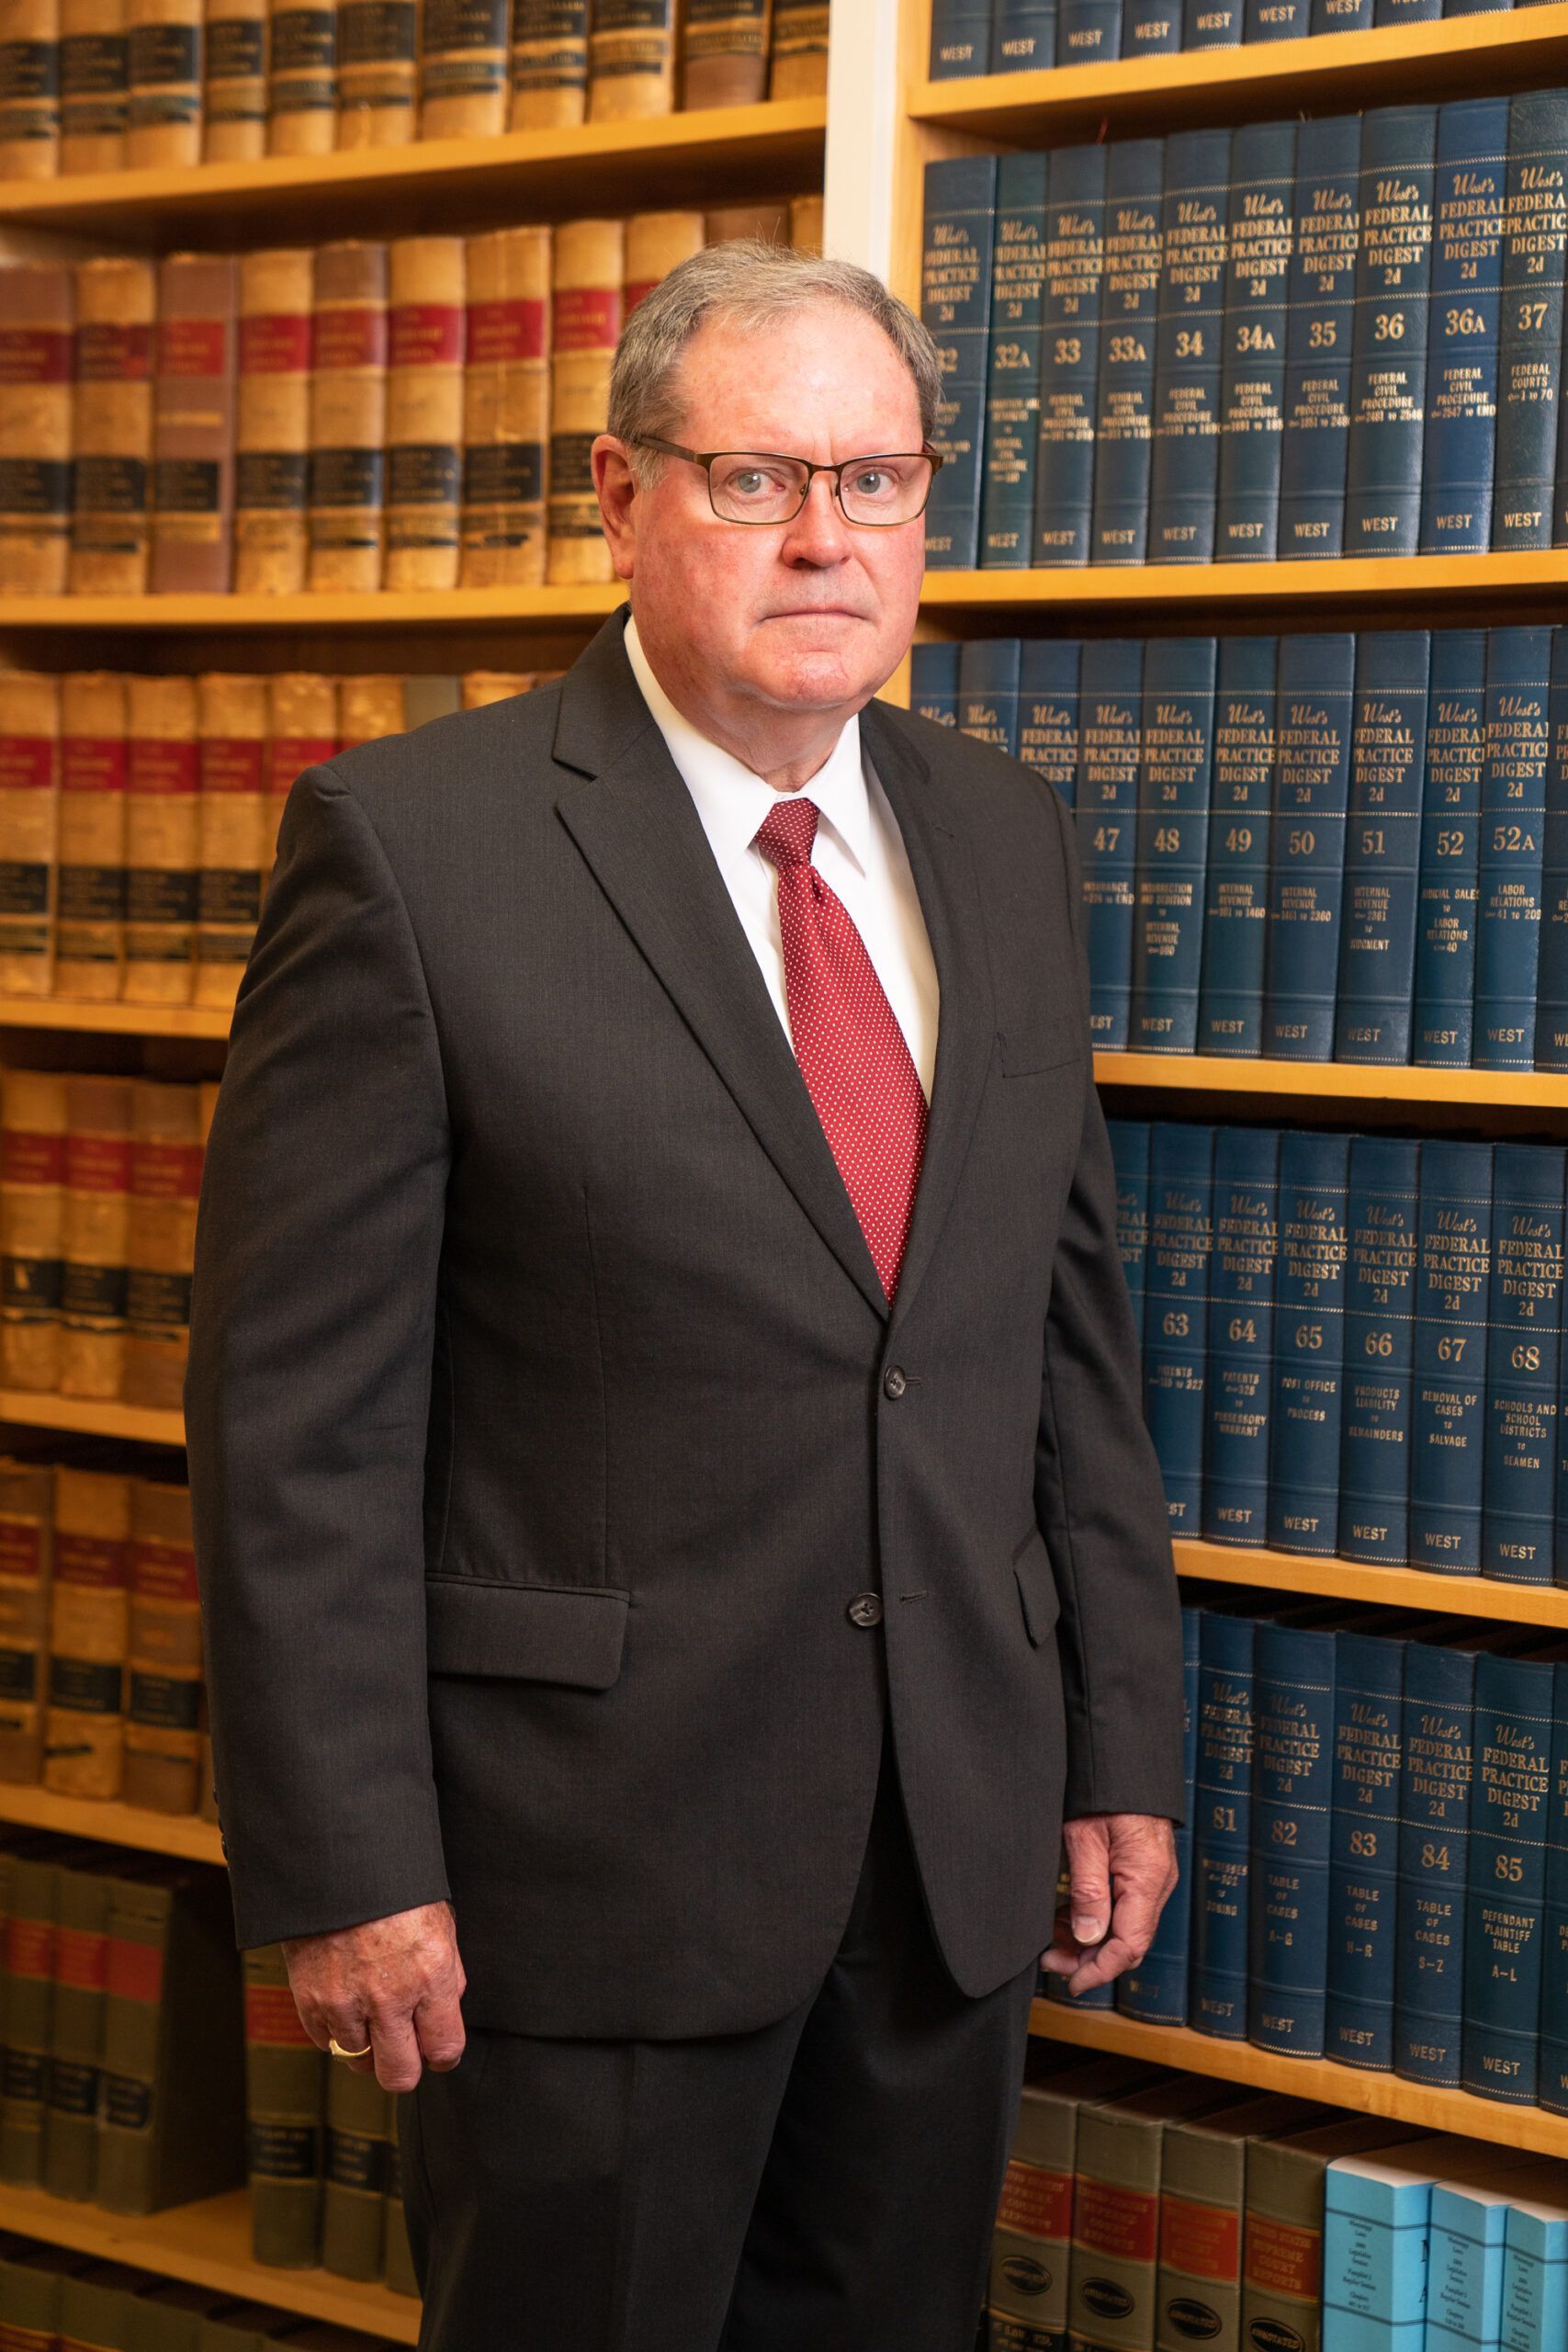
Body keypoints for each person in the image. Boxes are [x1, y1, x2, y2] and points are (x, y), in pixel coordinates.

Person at [186, 241, 1185, 2352]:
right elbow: (301, 1422)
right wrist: (349, 1859)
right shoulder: (411, 845)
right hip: (583, 1869)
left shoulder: (1000, 837)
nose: (827, 535)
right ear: (618, 494)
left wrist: (1116, 1742)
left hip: (949, 1847)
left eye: (878, 480)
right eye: (752, 479)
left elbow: (1057, 1339)